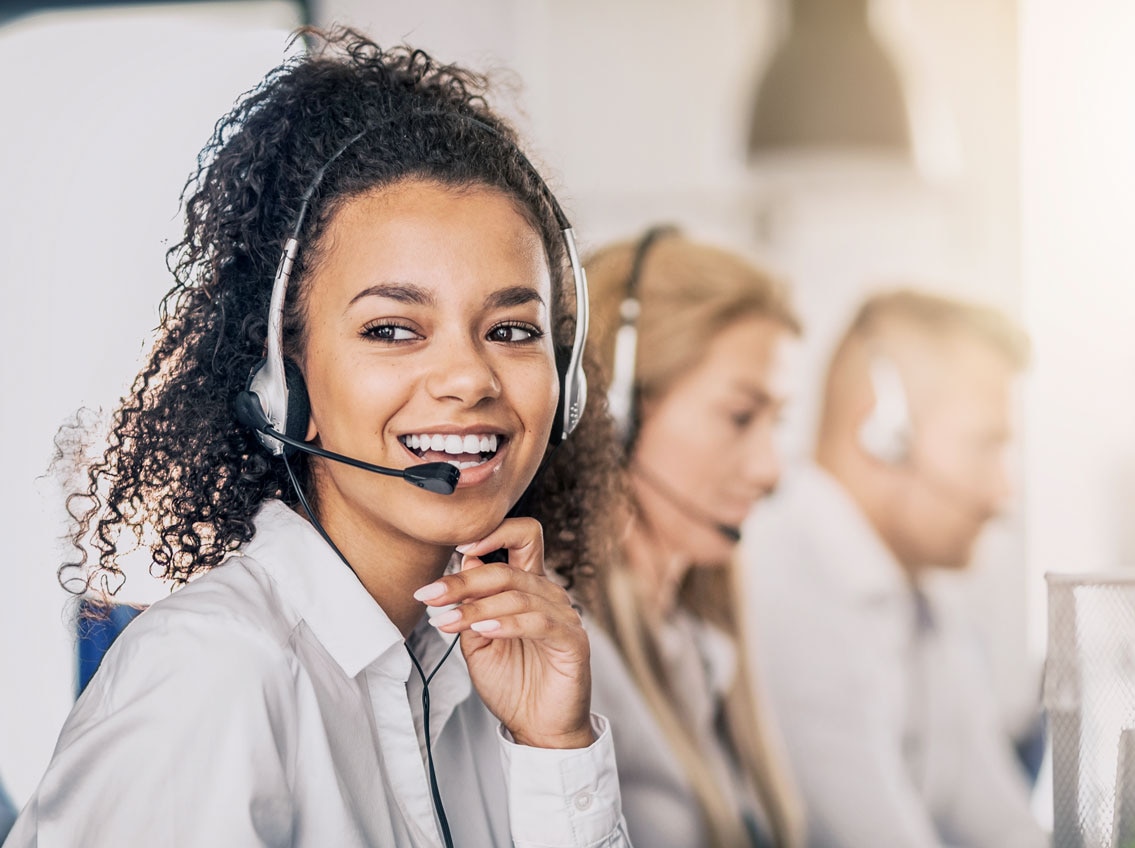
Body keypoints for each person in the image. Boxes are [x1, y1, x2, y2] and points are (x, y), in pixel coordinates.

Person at [7, 28, 632, 847]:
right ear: (281, 377)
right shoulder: (213, 676)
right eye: (393, 329)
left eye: (511, 331)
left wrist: (555, 749)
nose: (471, 380)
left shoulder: (484, 677)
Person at [742, 289, 1047, 848]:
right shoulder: (784, 585)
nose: (1003, 492)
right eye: (985, 446)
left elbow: (1001, 824)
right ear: (881, 433)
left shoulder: (918, 596)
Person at [582, 228, 805, 848]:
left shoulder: (695, 639)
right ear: (614, 412)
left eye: (776, 421)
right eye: (739, 416)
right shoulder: (565, 657)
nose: (770, 469)